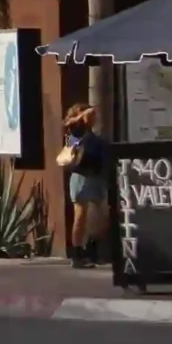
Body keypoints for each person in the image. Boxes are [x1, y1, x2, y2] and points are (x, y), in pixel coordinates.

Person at [57, 105, 113, 269]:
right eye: (90, 116)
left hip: (97, 178)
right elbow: (66, 124)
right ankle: (77, 255)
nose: (93, 118)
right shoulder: (76, 133)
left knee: (106, 216)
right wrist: (81, 116)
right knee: (80, 216)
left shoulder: (94, 135)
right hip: (82, 177)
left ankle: (91, 248)